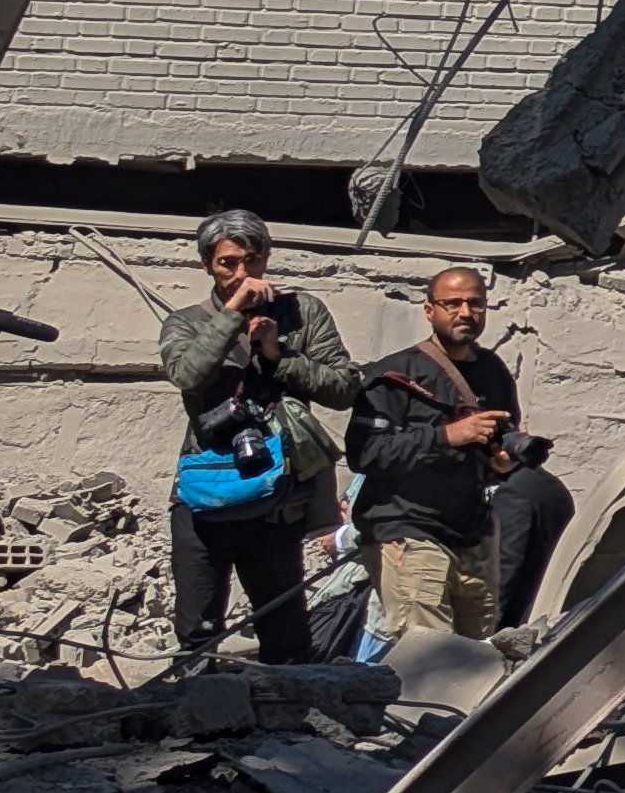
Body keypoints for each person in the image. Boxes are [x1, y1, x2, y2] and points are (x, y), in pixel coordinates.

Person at [161, 209, 361, 673]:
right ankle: (197, 717)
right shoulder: (186, 322)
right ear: (207, 265)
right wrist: (231, 317)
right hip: (205, 494)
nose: (242, 274)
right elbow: (187, 375)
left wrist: (278, 356)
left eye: (252, 261)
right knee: (197, 627)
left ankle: (286, 728)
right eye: (228, 263)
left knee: (284, 624)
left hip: (277, 498)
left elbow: (344, 387)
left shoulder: (301, 312)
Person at [347, 269, 532, 647]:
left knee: (477, 655)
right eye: (453, 303)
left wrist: (500, 463)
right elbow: (365, 451)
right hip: (407, 528)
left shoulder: (493, 372)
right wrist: (447, 436)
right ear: (429, 310)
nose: (466, 312)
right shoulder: (396, 374)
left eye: (476, 303)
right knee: (426, 651)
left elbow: (498, 436)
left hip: (471, 531)